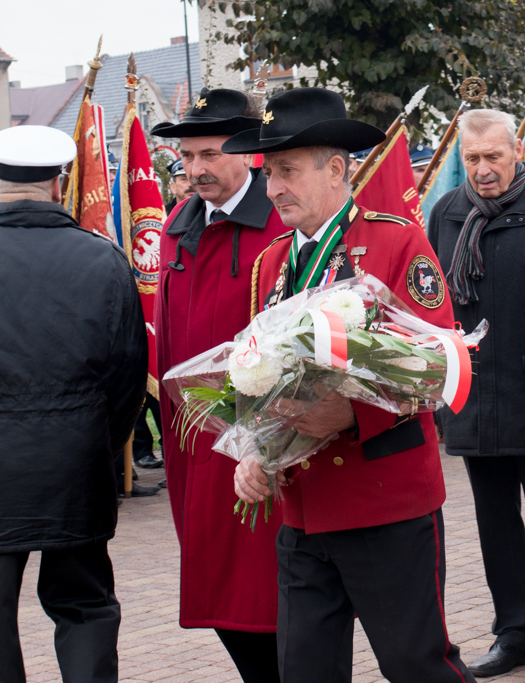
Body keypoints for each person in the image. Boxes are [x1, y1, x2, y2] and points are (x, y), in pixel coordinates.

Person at [229, 86, 475, 683]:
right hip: (302, 510)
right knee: (304, 672)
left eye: (286, 171)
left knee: (417, 667)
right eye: (268, 173)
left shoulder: (395, 242)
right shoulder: (269, 264)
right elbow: (259, 376)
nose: (273, 188)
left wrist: (350, 417)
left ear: (336, 169)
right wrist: (253, 449)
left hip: (383, 502)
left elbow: (442, 365)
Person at [427, 108, 525, 682]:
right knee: (496, 524)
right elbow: (432, 305)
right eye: (471, 159)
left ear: (517, 148)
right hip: (471, 395)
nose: (483, 169)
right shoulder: (445, 213)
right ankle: (514, 632)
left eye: (493, 156)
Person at [0, 125, 148, 683]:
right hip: (75, 462)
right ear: (61, 183)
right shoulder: (103, 261)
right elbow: (129, 375)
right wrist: (96, 445)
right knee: (84, 605)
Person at [151, 87, 290, 683]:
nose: (196, 169)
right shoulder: (179, 225)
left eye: (209, 154)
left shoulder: (278, 225)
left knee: (267, 601)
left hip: (259, 445)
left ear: (248, 153)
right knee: (218, 596)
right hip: (193, 447)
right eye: (187, 157)